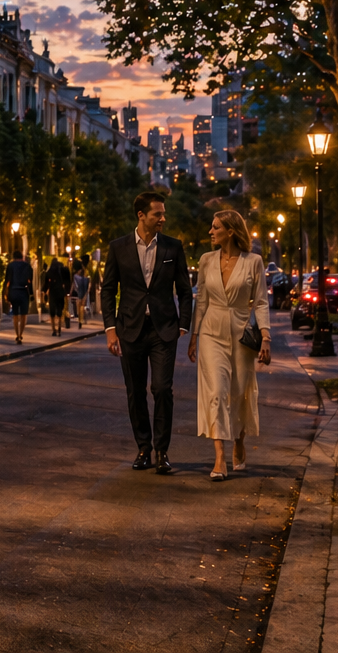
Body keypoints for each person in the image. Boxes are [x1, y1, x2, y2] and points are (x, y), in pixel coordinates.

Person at [100, 191, 194, 475]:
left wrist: (183, 324)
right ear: (141, 215)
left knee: (162, 389)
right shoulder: (118, 247)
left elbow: (185, 290)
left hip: (164, 330)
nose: (163, 218)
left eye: (163, 213)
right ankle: (144, 448)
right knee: (135, 391)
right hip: (130, 329)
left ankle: (162, 451)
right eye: (158, 214)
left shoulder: (173, 247)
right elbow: (108, 290)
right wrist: (110, 329)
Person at [189, 210, 272, 480]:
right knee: (216, 391)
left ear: (231, 231)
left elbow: (261, 302)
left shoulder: (253, 262)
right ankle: (219, 458)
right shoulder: (206, 260)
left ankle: (238, 439)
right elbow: (202, 299)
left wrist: (266, 337)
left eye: (216, 227)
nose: (210, 232)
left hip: (241, 333)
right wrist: (193, 335)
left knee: (238, 392)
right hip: (210, 332)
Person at [4, 250, 33, 344]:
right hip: (24, 291)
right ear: (22, 257)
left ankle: (17, 335)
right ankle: (21, 334)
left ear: (13, 257)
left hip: (14, 291)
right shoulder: (27, 266)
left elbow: (7, 280)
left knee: (15, 314)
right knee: (24, 314)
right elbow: (30, 281)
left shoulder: (10, 266)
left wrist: (5, 292)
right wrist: (31, 293)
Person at [44, 256, 71, 336]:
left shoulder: (49, 271)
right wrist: (67, 291)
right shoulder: (62, 270)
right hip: (60, 292)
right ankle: (59, 327)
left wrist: (44, 292)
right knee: (59, 311)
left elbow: (46, 284)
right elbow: (67, 281)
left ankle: (53, 329)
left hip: (52, 293)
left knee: (52, 312)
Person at [71, 261, 90, 328]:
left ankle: (79, 319)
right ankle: (81, 320)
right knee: (82, 306)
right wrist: (87, 293)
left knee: (78, 306)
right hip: (84, 292)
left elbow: (74, 284)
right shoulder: (86, 275)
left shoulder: (76, 276)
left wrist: (71, 292)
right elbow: (88, 285)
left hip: (79, 292)